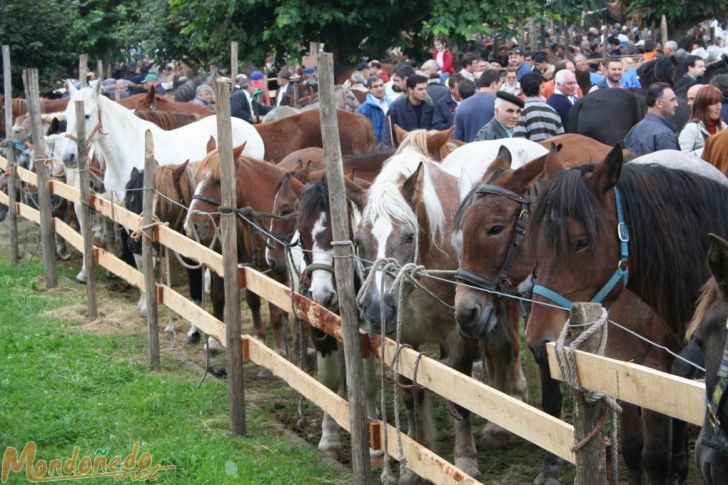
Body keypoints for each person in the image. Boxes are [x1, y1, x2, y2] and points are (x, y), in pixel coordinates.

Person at [624, 82, 680, 156]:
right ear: (659, 103)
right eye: (672, 100)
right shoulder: (664, 134)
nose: (676, 104)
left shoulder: (634, 130)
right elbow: (672, 164)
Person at [513, 72, 564, 141]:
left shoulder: (520, 112)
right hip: (551, 151)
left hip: (531, 151)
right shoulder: (553, 111)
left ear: (521, 90)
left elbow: (519, 141)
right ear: (541, 89)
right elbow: (561, 140)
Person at [678, 85, 727, 156]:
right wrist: (710, 149)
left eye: (720, 102)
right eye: (714, 103)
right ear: (703, 106)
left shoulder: (722, 126)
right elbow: (683, 158)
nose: (719, 107)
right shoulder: (691, 128)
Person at [453, 70, 500, 142]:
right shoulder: (499, 103)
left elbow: (457, 139)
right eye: (499, 84)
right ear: (494, 84)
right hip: (493, 151)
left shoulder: (462, 105)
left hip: (469, 150)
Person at [357, 76, 392, 146]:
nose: (380, 89)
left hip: (391, 143)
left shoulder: (391, 103)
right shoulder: (364, 108)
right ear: (369, 89)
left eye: (381, 85)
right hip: (376, 146)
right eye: (376, 86)